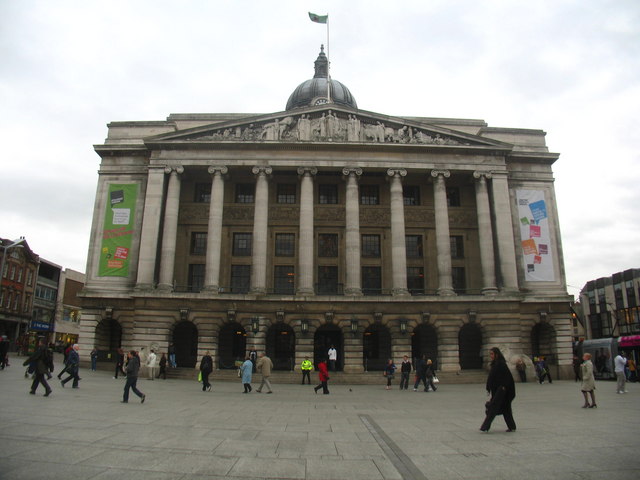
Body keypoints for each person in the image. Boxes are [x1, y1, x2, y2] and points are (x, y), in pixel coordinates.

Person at [480, 347, 516, 433]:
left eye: (492, 354)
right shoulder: (495, 364)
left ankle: (485, 427)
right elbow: (492, 377)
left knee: (492, 408)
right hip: (497, 390)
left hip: (502, 391)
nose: (491, 356)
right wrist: (489, 387)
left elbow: (507, 377)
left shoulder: (501, 364)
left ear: (497, 354)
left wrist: (504, 386)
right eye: (490, 354)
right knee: (506, 409)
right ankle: (512, 426)